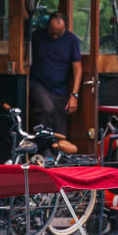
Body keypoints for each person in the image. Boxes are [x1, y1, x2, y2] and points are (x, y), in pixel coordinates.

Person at [29, 12, 82, 144]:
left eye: (58, 32)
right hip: (38, 83)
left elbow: (78, 68)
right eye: (52, 31)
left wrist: (74, 95)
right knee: (46, 108)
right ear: (48, 27)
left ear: (65, 28)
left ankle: (56, 159)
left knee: (60, 132)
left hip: (59, 89)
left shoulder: (71, 40)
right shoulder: (37, 36)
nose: (55, 35)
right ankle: (43, 149)